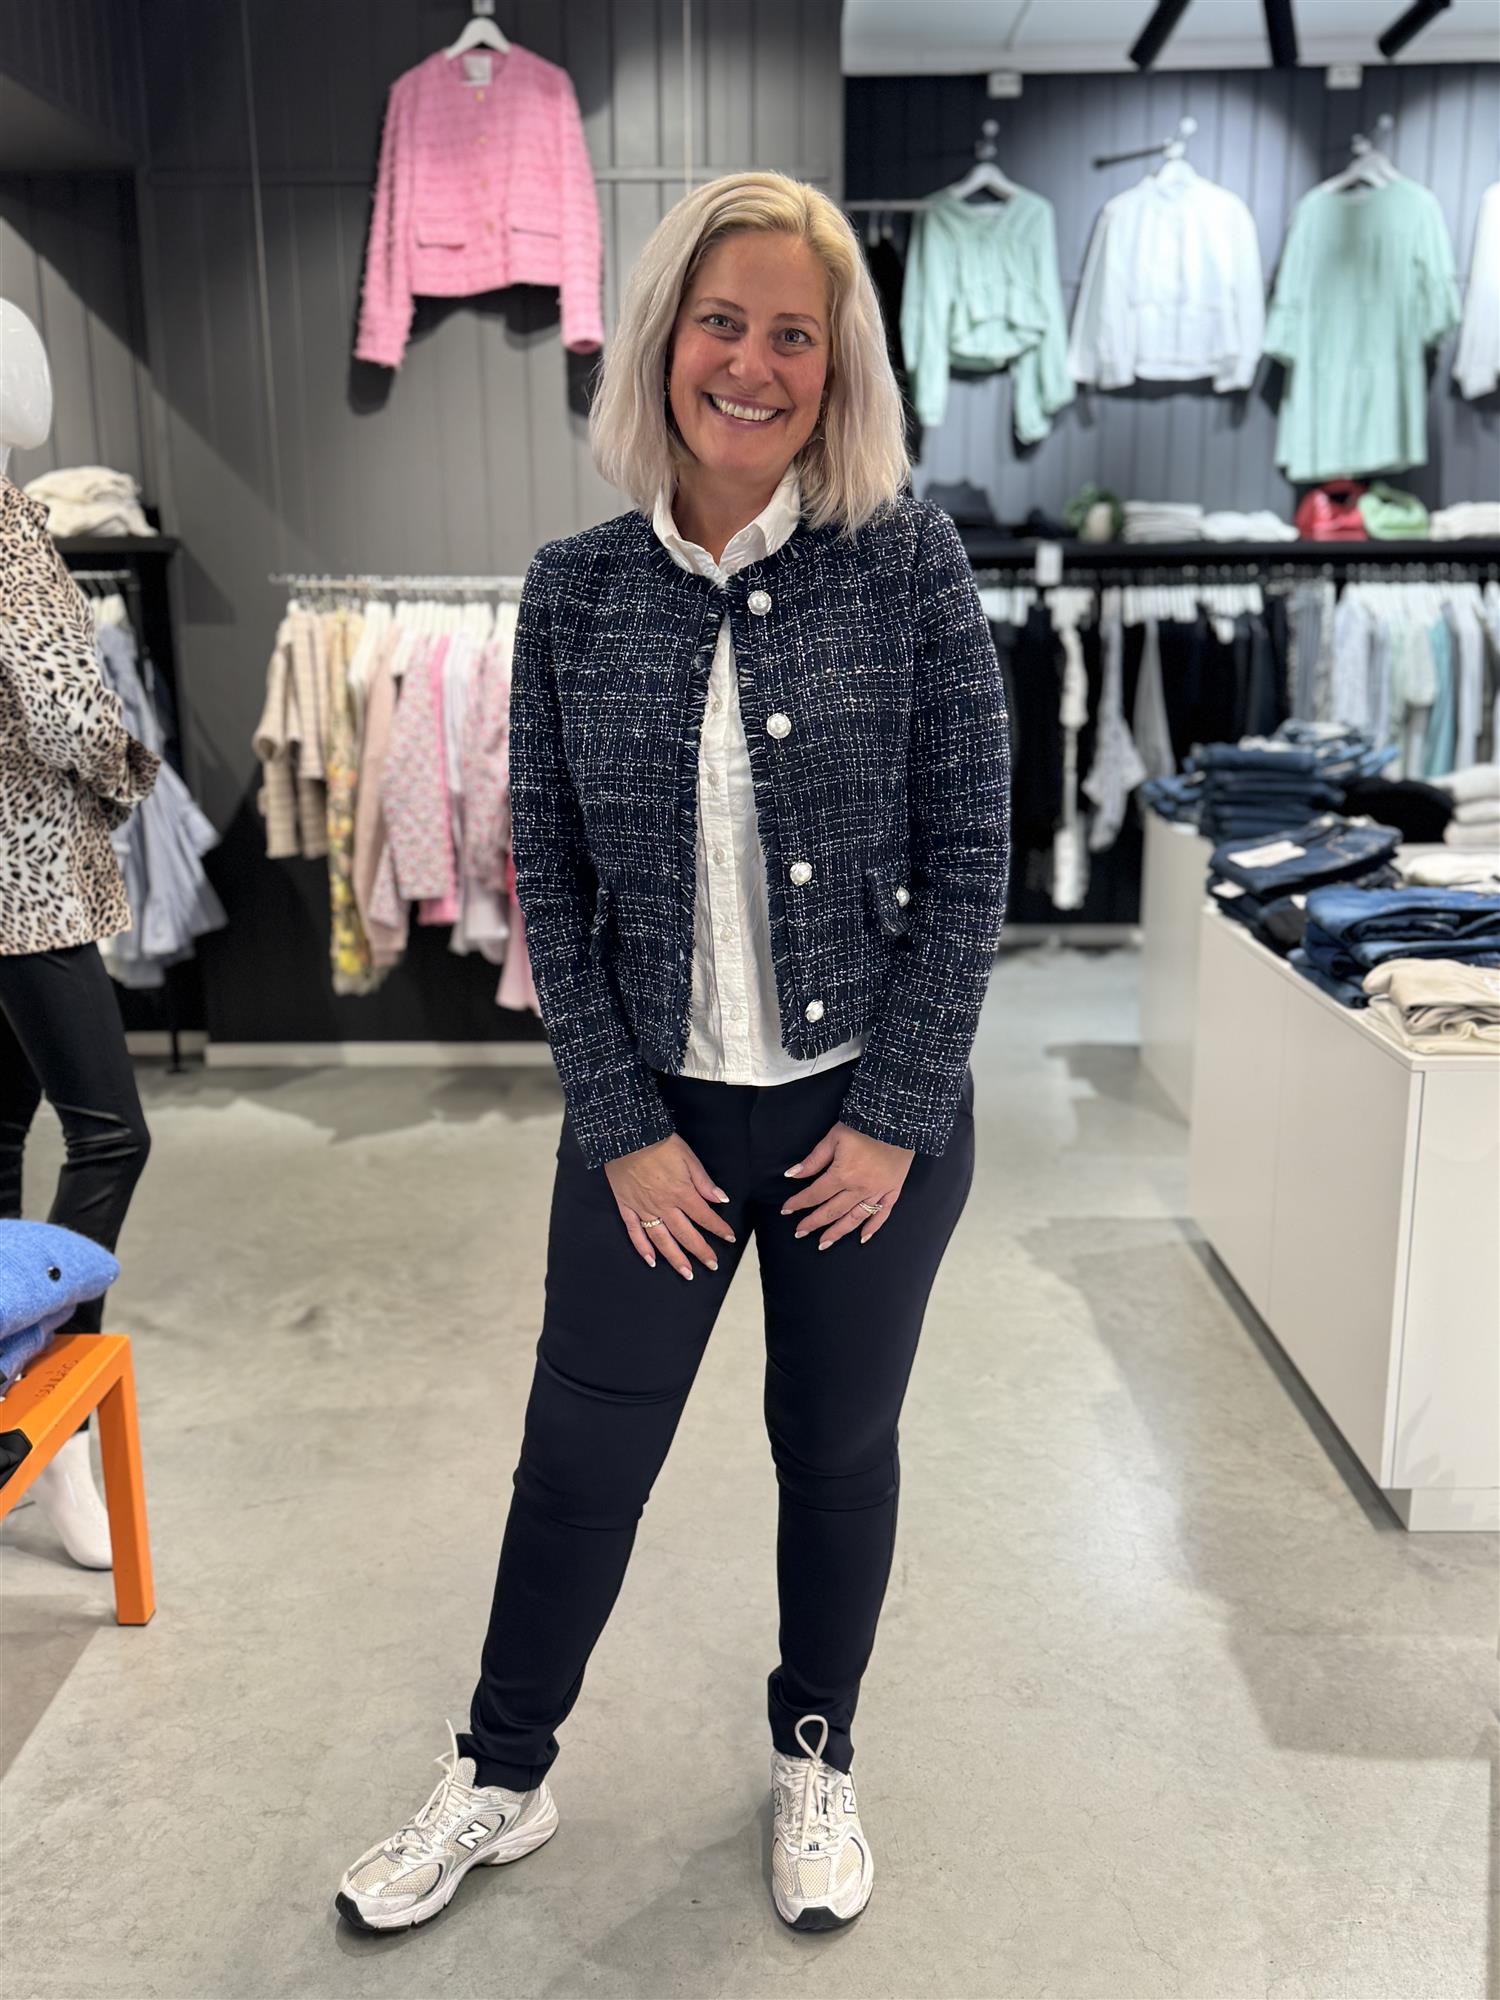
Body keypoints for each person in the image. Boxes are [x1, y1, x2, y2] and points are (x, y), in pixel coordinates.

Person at [337, 170, 1010, 1935]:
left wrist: (898, 1113)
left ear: (838, 366)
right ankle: (501, 1773)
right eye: (723, 322)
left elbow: (971, 856)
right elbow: (547, 883)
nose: (753, 364)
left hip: (866, 1125)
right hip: (655, 1128)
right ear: (662, 341)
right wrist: (624, 1125)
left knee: (835, 1451)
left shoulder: (910, 563)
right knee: (580, 1460)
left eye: (796, 333)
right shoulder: (576, 592)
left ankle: (815, 1750)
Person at [0, 472, 160, 1567]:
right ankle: (53, 1421)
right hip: (26, 873)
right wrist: (125, 770)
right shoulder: (2, 517)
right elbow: (62, 698)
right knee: (111, 1134)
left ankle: (10, 1393)